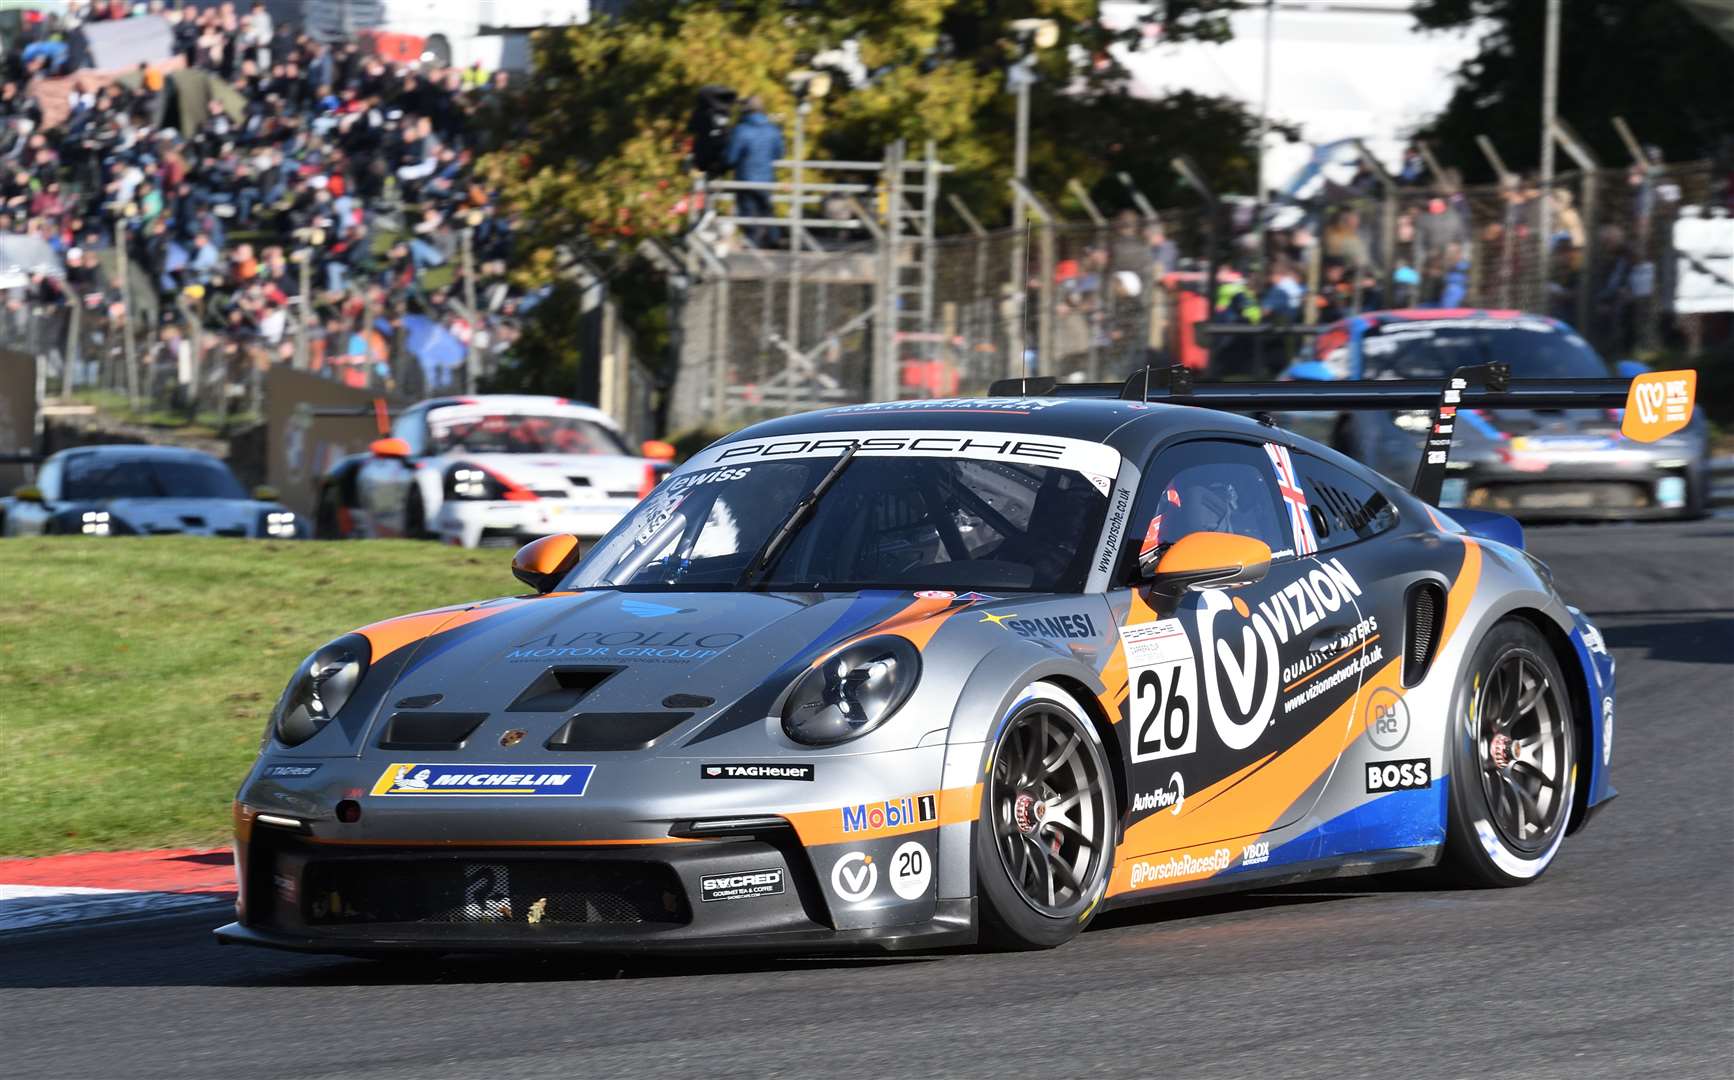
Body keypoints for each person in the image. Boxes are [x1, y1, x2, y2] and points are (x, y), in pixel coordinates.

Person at [725, 96, 784, 247]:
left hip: (745, 182)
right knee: (767, 213)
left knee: (749, 217)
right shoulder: (773, 130)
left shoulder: (741, 130)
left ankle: (754, 246)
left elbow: (731, 158)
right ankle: (773, 242)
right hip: (766, 180)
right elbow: (779, 154)